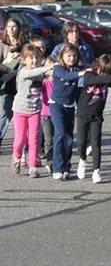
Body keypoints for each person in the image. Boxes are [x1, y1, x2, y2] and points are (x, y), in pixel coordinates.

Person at [76, 54, 111, 183]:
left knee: (96, 143)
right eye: (104, 71)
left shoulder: (107, 80)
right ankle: (82, 160)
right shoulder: (89, 74)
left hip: (96, 116)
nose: (105, 74)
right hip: (82, 114)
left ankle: (96, 170)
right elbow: (93, 81)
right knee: (81, 142)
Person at [10, 44, 54, 178]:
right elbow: (33, 73)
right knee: (20, 138)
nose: (34, 60)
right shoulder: (23, 71)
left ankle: (33, 166)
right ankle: (16, 157)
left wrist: (57, 68)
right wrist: (46, 68)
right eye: (31, 58)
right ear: (24, 60)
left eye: (36, 57)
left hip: (35, 110)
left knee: (34, 138)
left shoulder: (40, 72)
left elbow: (52, 74)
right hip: (20, 110)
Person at [50, 43, 88, 181]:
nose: (72, 58)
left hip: (70, 106)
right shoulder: (58, 68)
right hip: (56, 105)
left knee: (68, 138)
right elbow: (68, 76)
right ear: (62, 56)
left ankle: (66, 167)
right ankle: (57, 168)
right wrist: (82, 73)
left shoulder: (78, 68)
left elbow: (90, 69)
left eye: (74, 55)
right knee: (59, 133)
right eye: (69, 56)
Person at [0, 18, 25, 149]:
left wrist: (20, 57)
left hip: (22, 86)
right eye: (9, 26)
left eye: (14, 26)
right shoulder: (2, 45)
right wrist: (9, 69)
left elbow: (31, 60)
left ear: (18, 29)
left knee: (23, 117)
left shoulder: (25, 45)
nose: (11, 29)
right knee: (5, 115)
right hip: (6, 85)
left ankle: (24, 145)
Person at [41, 57, 56, 175]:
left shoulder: (59, 81)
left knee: (58, 138)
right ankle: (49, 161)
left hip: (57, 113)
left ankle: (58, 160)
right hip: (46, 114)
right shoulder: (43, 82)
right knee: (49, 139)